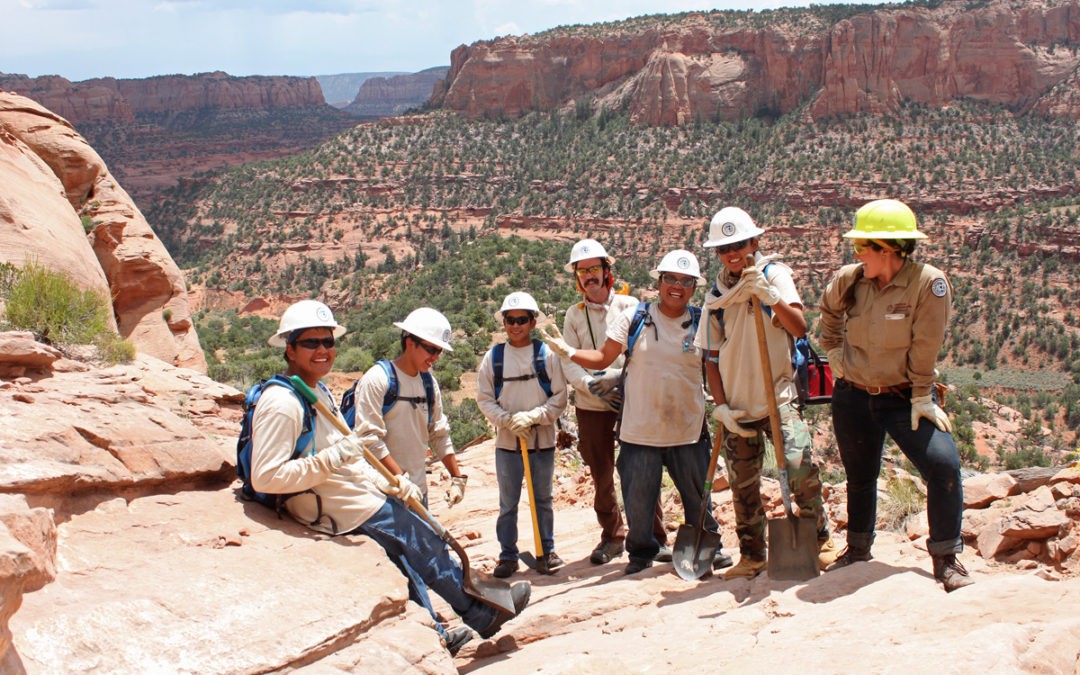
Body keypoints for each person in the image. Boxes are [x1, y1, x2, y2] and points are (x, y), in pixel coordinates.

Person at [250, 300, 530, 656]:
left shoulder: (318, 391)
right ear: (290, 348)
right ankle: (480, 615)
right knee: (421, 544)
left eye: (328, 342)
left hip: (359, 493)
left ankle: (435, 633)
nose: (323, 350)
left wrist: (384, 480)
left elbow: (363, 448)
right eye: (311, 343)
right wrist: (332, 461)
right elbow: (266, 476)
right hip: (335, 504)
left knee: (410, 556)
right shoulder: (282, 402)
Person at [543, 251, 733, 576]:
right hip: (639, 428)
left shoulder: (704, 321)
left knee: (696, 494)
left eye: (686, 281)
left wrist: (725, 407)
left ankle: (708, 544)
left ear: (694, 287)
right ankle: (641, 551)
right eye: (670, 279)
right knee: (639, 494)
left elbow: (717, 367)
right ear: (659, 282)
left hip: (687, 428)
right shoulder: (635, 317)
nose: (677, 287)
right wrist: (570, 352)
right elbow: (604, 357)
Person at [819, 199, 972, 592]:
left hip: (903, 397)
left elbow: (926, 344)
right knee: (860, 475)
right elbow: (828, 315)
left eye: (861, 247)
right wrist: (835, 356)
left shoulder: (928, 284)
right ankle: (857, 550)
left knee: (942, 464)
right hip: (852, 394)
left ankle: (946, 558)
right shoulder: (850, 279)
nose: (856, 254)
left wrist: (922, 395)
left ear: (887, 250)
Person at [695, 207, 835, 580]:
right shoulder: (716, 296)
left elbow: (799, 327)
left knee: (798, 464)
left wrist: (770, 297)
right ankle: (752, 554)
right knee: (743, 484)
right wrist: (721, 406)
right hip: (738, 404)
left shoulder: (774, 275)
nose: (733, 254)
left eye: (739, 244)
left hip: (779, 395)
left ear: (755, 242)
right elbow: (710, 357)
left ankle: (819, 540)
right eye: (724, 249)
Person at [558, 239, 670, 566]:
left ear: (608, 272)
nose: (589, 276)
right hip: (591, 405)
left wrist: (616, 378)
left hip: (630, 397)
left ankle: (654, 535)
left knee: (640, 467)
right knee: (601, 471)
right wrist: (591, 385)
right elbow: (568, 359)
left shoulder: (630, 305)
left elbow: (642, 351)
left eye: (595, 269)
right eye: (583, 271)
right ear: (577, 278)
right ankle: (613, 536)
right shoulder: (573, 316)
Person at [476, 291, 569, 577]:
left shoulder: (547, 355)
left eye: (521, 320)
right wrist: (506, 420)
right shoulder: (494, 357)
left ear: (532, 322)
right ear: (504, 322)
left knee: (543, 498)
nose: (515, 326)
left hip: (541, 442)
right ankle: (508, 556)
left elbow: (560, 398)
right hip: (507, 443)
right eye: (510, 320)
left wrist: (534, 417)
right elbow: (484, 398)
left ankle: (546, 550)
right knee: (508, 503)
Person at [347, 307, 467, 509]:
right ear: (410, 342)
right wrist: (401, 478)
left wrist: (457, 478)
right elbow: (368, 440)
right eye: (431, 349)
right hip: (380, 493)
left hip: (417, 491)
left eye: (439, 350)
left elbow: (438, 433)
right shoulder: (378, 379)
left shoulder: (429, 383)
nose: (436, 356)